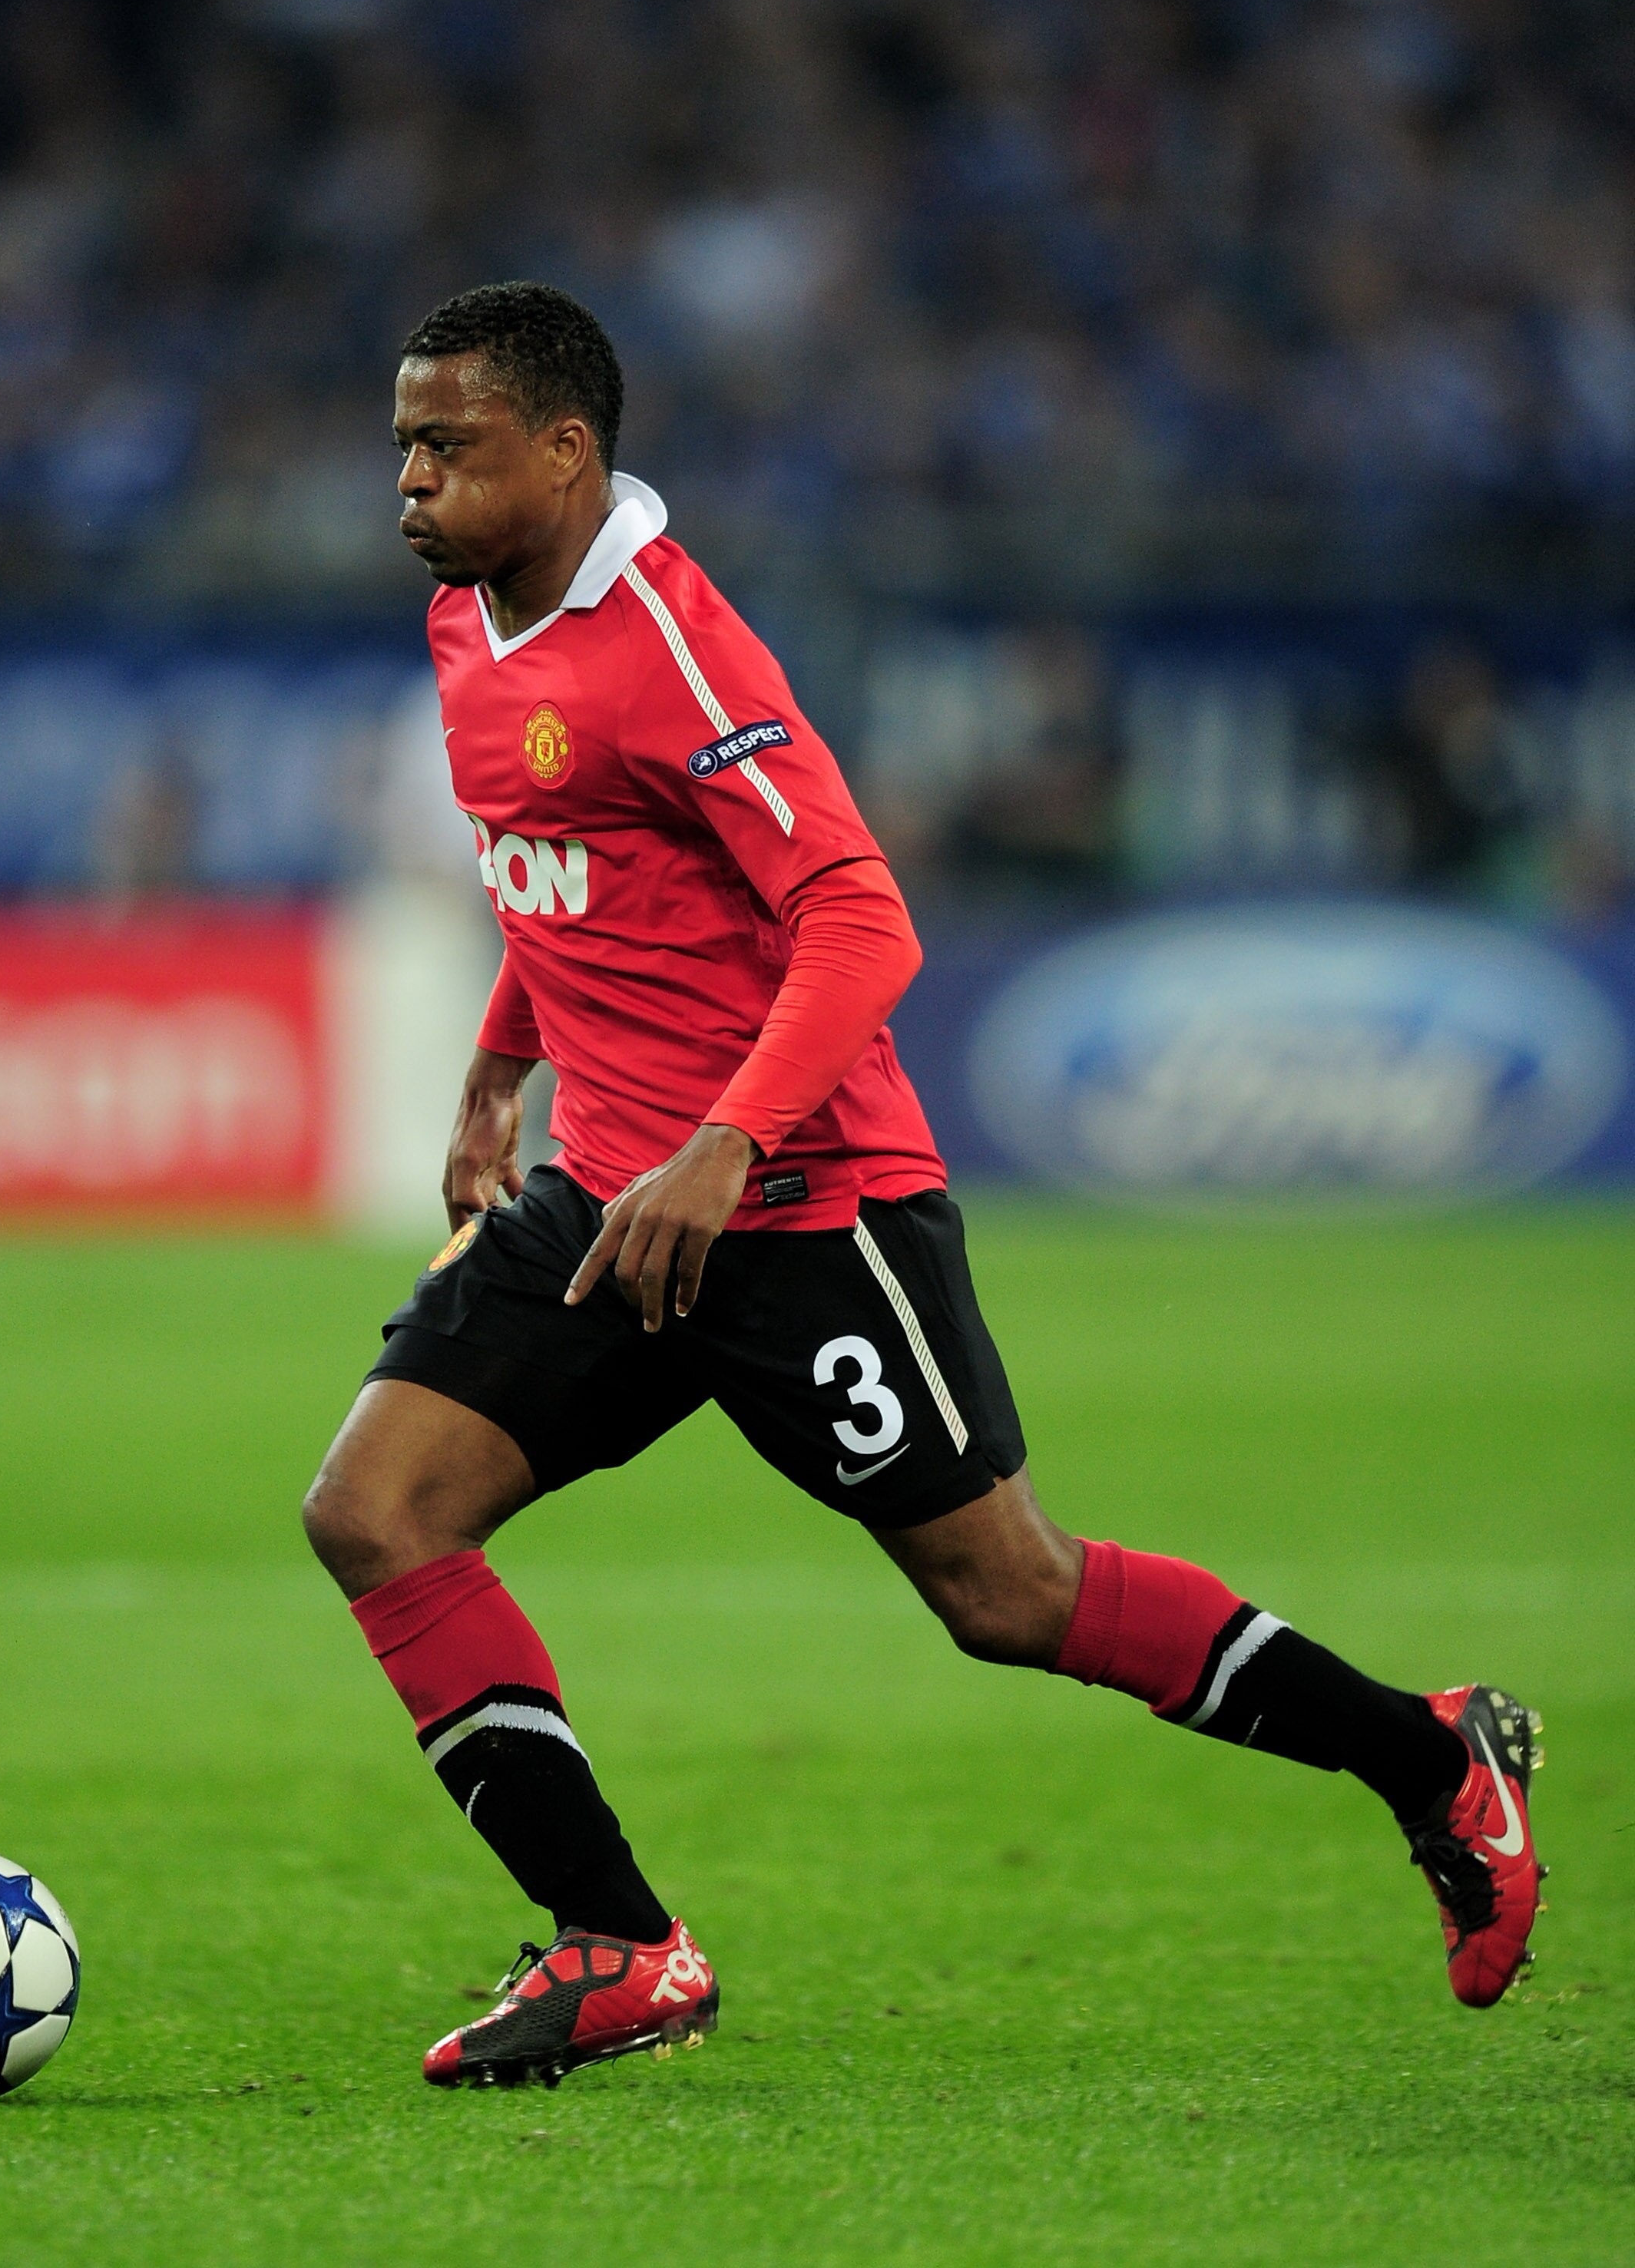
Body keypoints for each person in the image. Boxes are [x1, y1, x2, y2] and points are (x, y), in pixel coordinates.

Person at [302, 282, 1545, 2091]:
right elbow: (565, 869)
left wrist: (727, 1144)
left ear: (563, 451)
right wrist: (503, 1064)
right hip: (610, 1199)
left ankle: (1430, 1758)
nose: (408, 479)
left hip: (805, 1207)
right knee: (376, 1509)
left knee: (1005, 1596)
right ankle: (621, 1948)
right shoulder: (462, 620)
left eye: (446, 445)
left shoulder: (670, 647)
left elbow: (858, 918)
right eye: (403, 444)